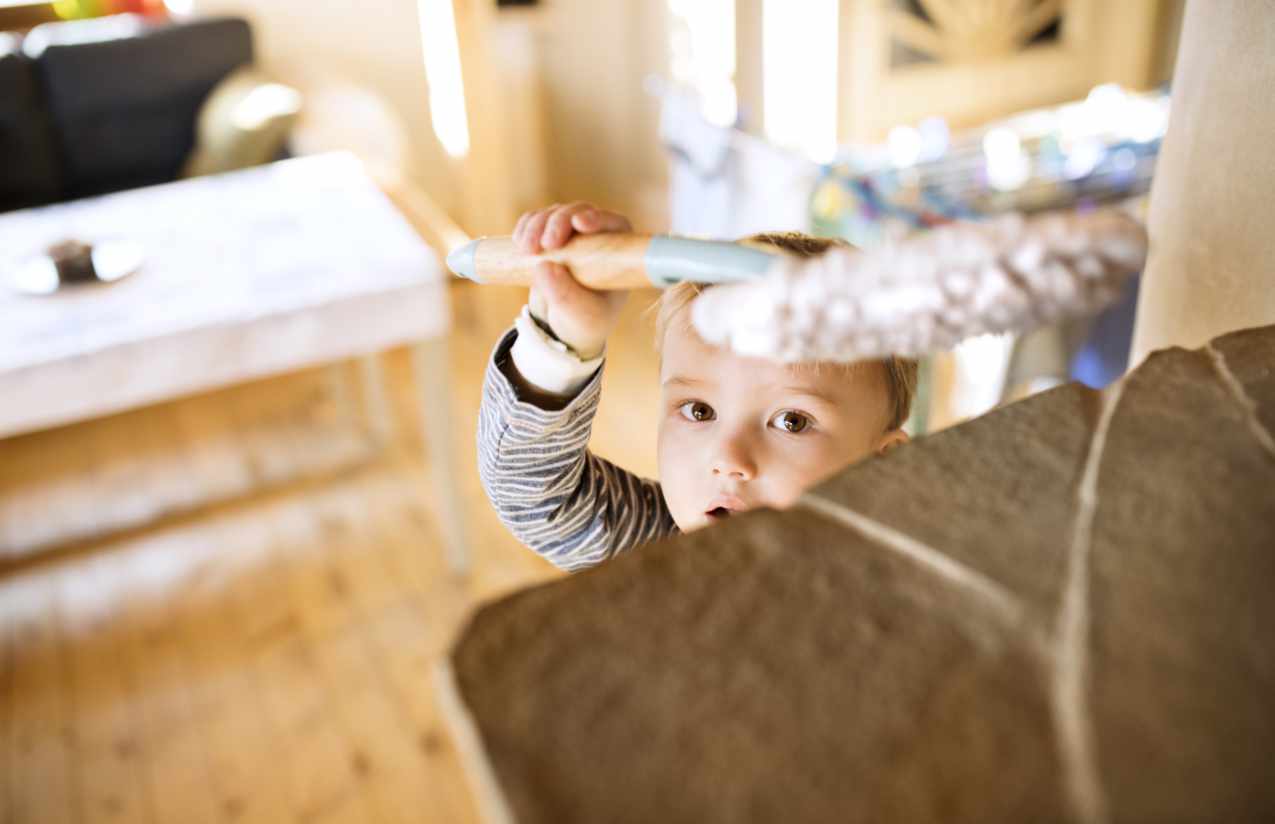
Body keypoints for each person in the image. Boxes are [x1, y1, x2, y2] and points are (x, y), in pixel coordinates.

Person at [478, 202, 917, 571]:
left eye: (792, 420)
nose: (728, 459)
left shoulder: (908, 571)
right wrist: (563, 336)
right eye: (699, 411)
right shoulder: (657, 546)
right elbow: (535, 495)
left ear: (884, 467)